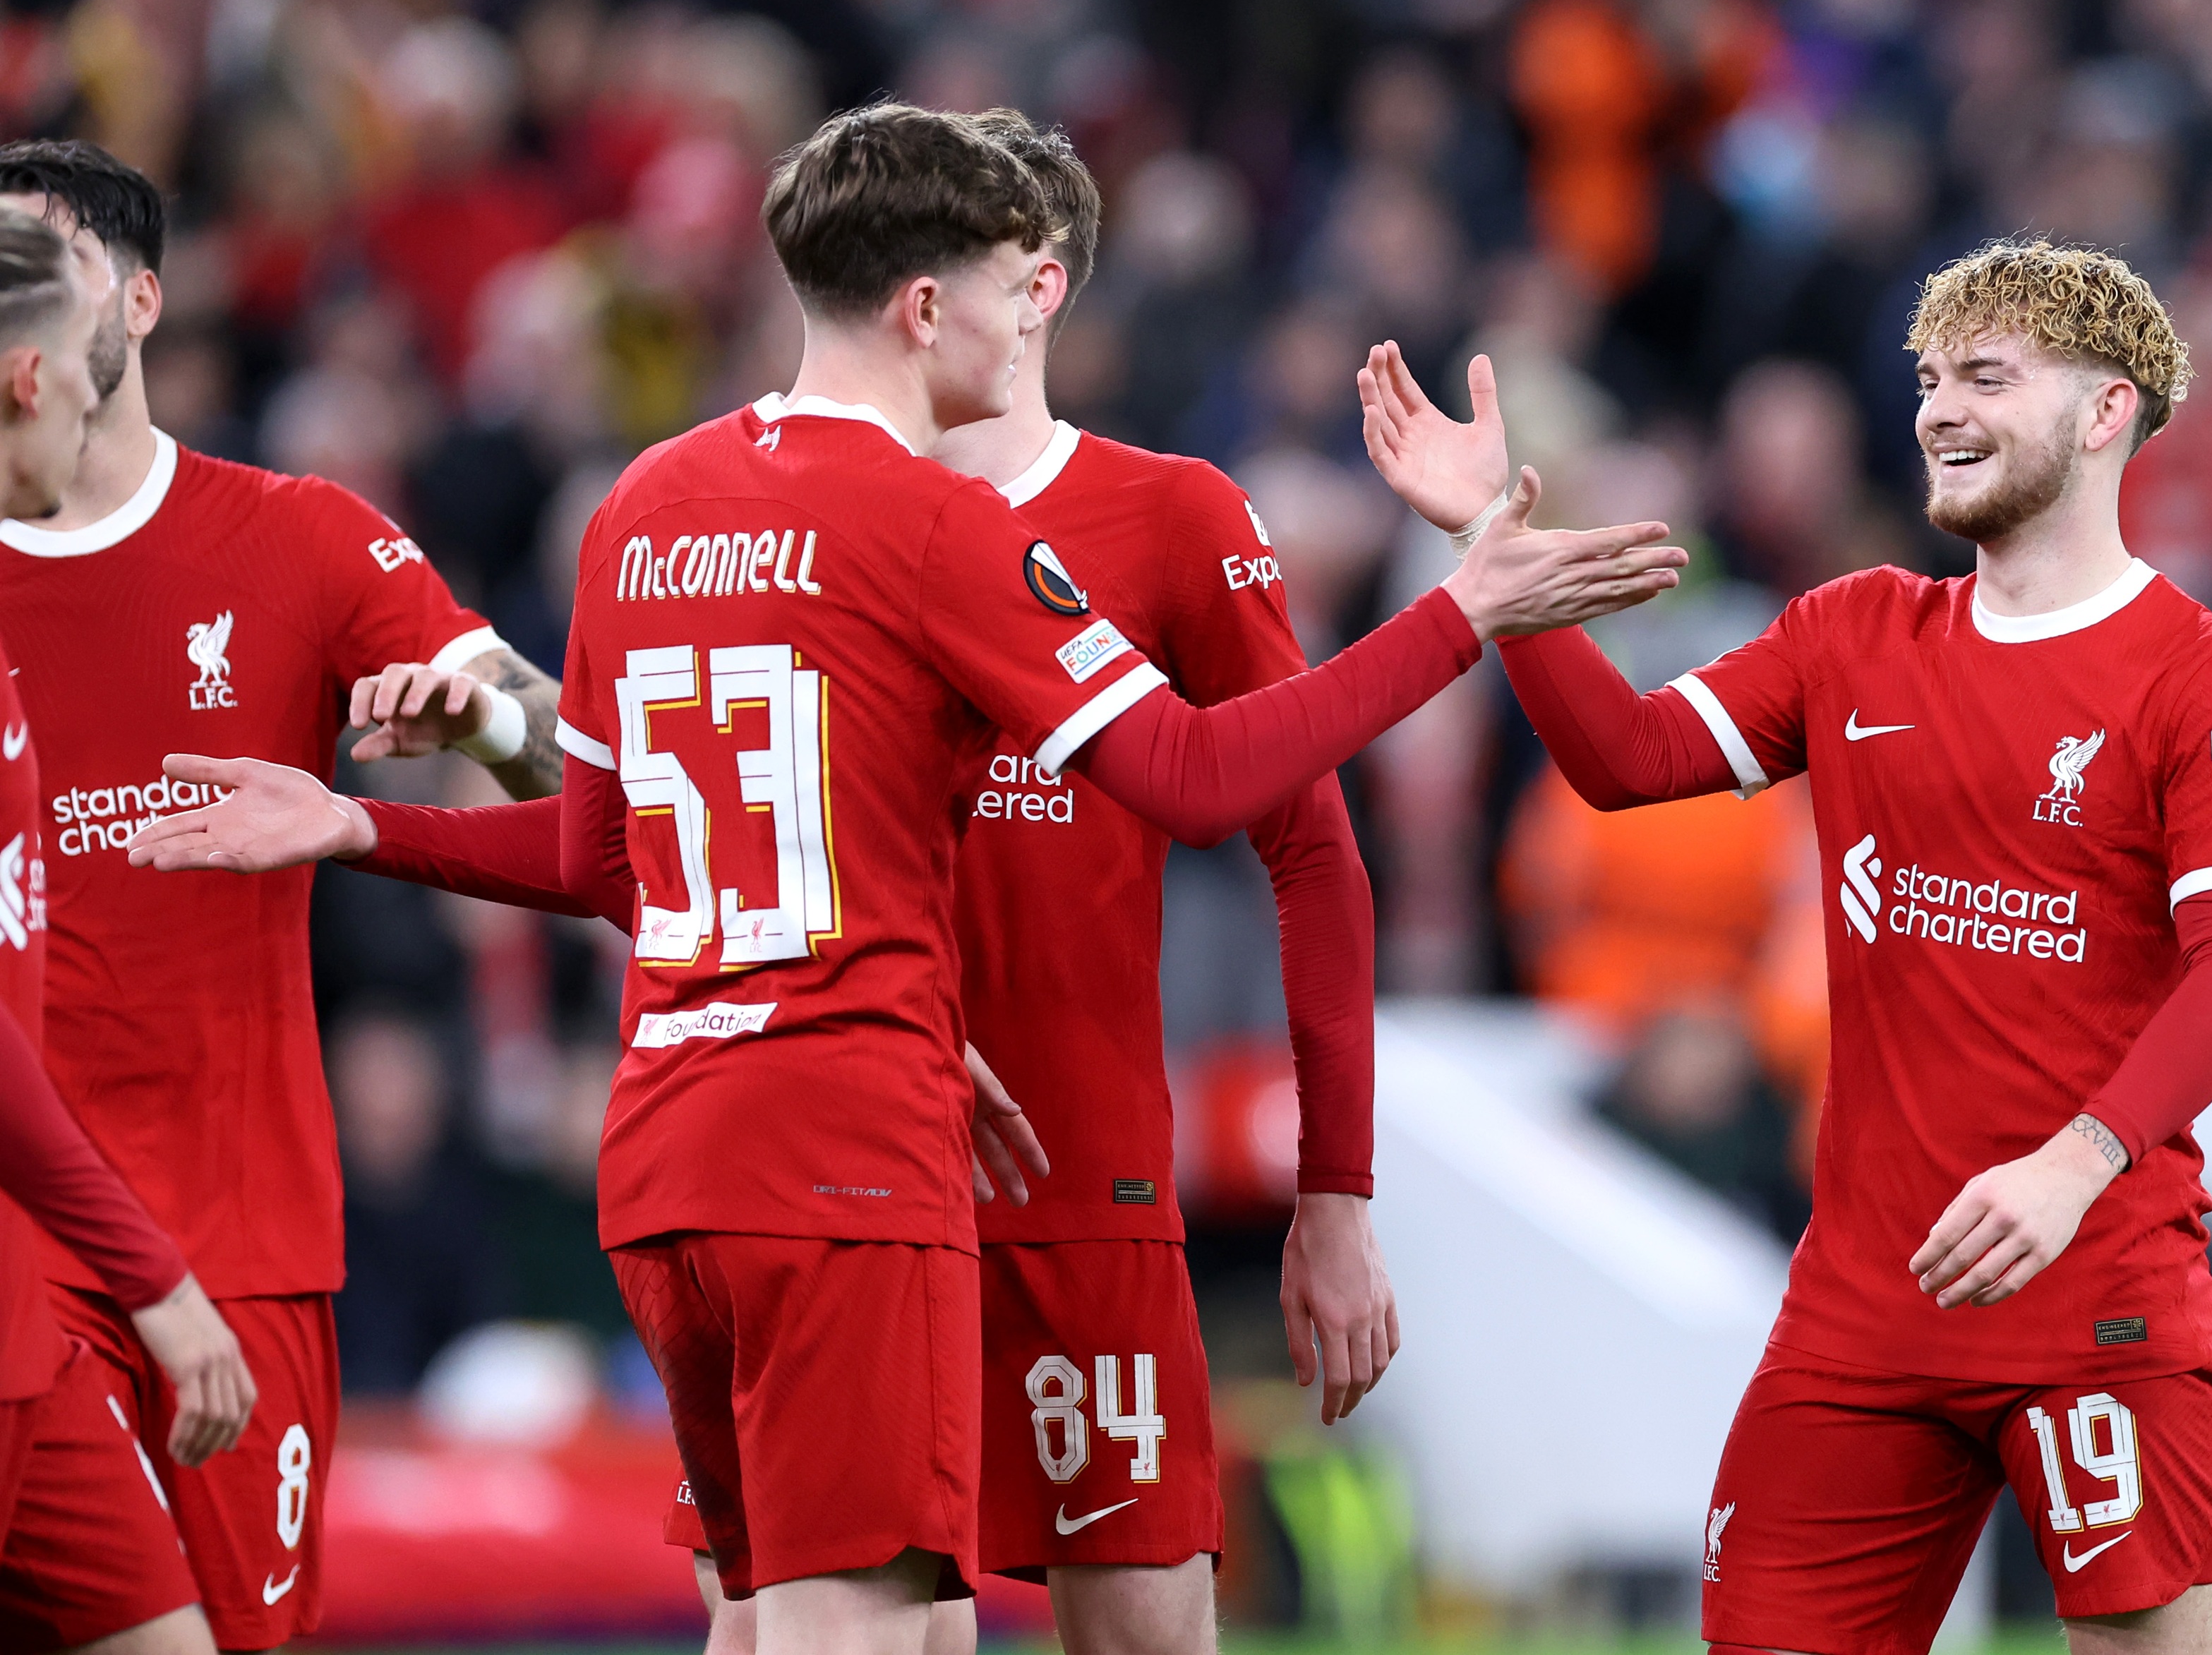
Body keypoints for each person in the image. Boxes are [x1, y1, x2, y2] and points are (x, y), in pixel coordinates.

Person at [124, 102, 1681, 1655]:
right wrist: (1461, 607)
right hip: (859, 1159)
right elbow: (1202, 774)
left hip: (740, 1153)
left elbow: (613, 858)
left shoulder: (645, 502)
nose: (1027, 317)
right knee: (852, 1625)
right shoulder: (940, 523)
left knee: (836, 1620)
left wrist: (358, 825)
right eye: (1006, 282)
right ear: (938, 298)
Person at [1359, 239, 2212, 1655]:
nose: (1938, 408)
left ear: (2109, 411)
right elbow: (1624, 759)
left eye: (1989, 374)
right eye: (1930, 379)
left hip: (2097, 1297)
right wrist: (1491, 560)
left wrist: (2079, 1156)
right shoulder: (1858, 630)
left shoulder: (2209, 672)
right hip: (1864, 1315)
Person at [659, 110, 1393, 1655]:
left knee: (1134, 1629)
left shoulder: (1169, 514)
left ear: (1035, 287)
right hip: (843, 1157)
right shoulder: (783, 511)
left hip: (1074, 1182)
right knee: (821, 1621)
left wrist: (1336, 1186)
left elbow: (1307, 846)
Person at [0, 139, 567, 1648]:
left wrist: (480, 722)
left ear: (141, 298)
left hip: (241, 1237)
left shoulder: (300, 535)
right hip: (19, 1264)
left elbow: (569, 770)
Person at [0, 205, 258, 1655]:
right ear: (33, 377)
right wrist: (156, 1278)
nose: (96, 413)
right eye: (84, 377)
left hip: (22, 1323)